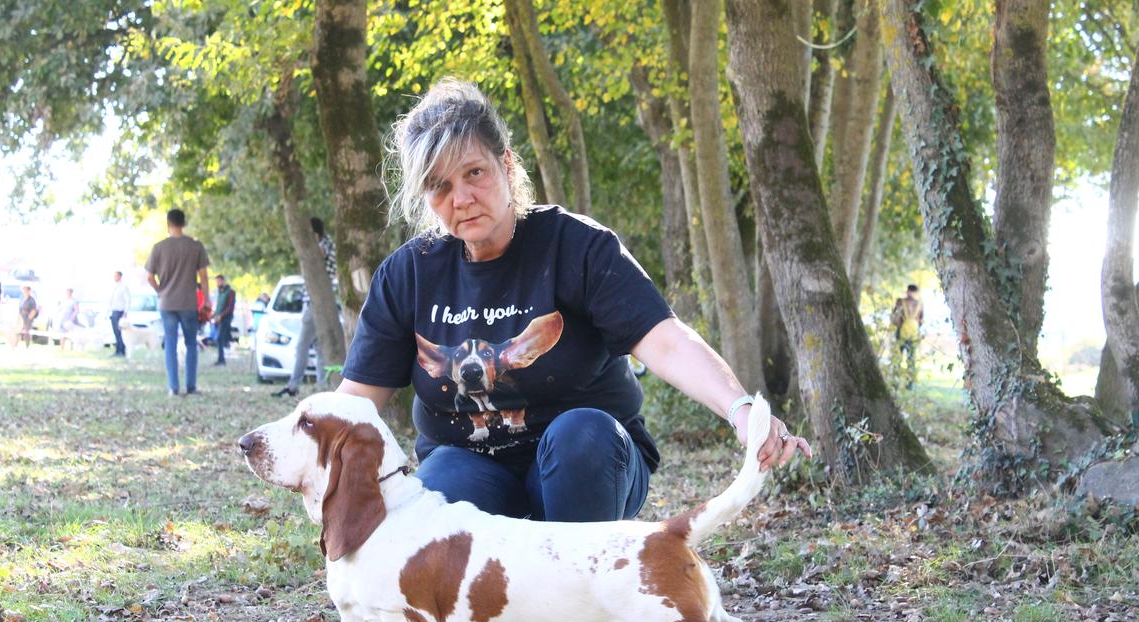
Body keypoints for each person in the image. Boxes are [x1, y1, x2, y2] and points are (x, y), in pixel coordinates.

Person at [336, 79, 811, 524]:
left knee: (581, 435)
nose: (461, 197)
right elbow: (355, 403)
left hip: (590, 463)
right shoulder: (408, 274)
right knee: (439, 483)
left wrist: (741, 409)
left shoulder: (578, 246)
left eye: (474, 173)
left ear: (505, 165)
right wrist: (301, 454)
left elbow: (665, 341)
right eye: (439, 185)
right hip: (471, 469)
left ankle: (583, 597)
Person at [145, 208, 210, 396]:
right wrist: (205, 299)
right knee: (191, 344)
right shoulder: (195, 246)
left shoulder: (159, 247)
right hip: (188, 302)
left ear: (168, 224)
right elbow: (204, 277)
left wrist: (160, 290)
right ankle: (191, 387)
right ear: (184, 223)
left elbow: (149, 276)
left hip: (167, 303)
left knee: (170, 344)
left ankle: (173, 387)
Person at [272, 217, 338, 397]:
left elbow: (319, 263)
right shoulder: (328, 243)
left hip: (316, 304)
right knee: (319, 348)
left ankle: (293, 385)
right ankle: (322, 384)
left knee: (302, 346)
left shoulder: (321, 246)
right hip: (321, 303)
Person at [891, 284, 925, 390]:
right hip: (914, 334)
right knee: (911, 360)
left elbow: (895, 317)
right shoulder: (920, 304)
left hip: (901, 333)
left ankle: (895, 383)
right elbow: (921, 320)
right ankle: (910, 385)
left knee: (898, 359)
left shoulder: (900, 301)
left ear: (908, 291)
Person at [212, 274, 236, 366]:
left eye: (218, 281)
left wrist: (221, 316)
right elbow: (219, 306)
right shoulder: (220, 292)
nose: (217, 283)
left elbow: (230, 307)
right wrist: (214, 314)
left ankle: (221, 359)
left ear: (223, 281)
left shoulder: (230, 292)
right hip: (219, 318)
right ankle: (220, 358)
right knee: (220, 338)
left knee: (220, 338)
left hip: (226, 318)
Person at [108, 270, 130, 357]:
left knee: (120, 332)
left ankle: (122, 350)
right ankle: (117, 350)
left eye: (116, 276)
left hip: (120, 311)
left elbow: (128, 299)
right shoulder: (114, 286)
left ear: (120, 276)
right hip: (113, 311)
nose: (115, 278)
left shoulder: (123, 287)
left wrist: (125, 311)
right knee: (115, 332)